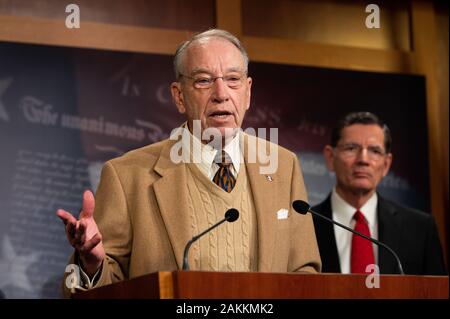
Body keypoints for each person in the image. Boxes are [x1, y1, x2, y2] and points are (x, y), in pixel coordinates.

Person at [57, 29, 321, 296]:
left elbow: (304, 273)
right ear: (179, 95)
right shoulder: (127, 177)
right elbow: (98, 289)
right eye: (204, 81)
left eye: (232, 79)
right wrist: (92, 264)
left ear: (248, 92)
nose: (221, 94)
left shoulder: (282, 166)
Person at [312, 111, 446, 275]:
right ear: (330, 157)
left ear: (386, 164)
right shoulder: (305, 226)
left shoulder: (420, 229)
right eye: (351, 148)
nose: (363, 159)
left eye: (375, 151)